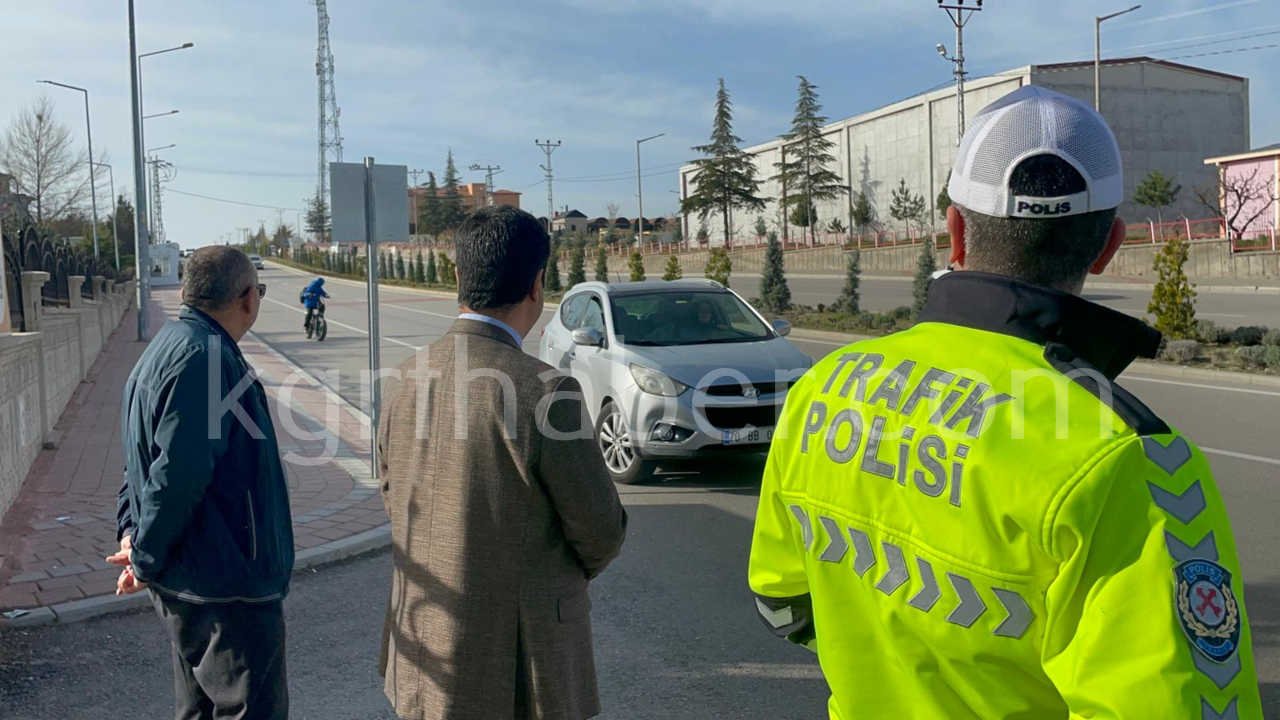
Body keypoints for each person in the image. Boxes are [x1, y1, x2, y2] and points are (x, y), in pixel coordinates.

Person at [748, 86, 1262, 719]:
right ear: (1109, 246)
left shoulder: (824, 386)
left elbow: (781, 600)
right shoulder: (1126, 457)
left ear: (955, 231)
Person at [378, 206, 627, 719]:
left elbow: (392, 493)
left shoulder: (403, 377)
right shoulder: (545, 391)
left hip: (420, 644)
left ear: (457, 276)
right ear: (537, 284)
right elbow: (600, 529)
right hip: (517, 663)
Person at [109, 246, 293, 719]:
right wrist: (144, 555)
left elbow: (139, 461)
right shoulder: (207, 360)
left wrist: (133, 534)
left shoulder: (168, 346)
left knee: (198, 711)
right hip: (225, 588)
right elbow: (176, 474)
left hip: (195, 580)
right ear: (248, 298)